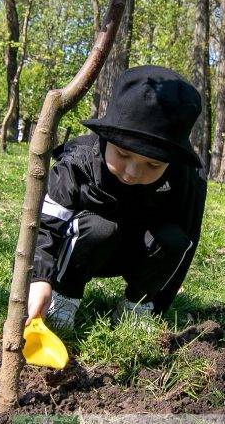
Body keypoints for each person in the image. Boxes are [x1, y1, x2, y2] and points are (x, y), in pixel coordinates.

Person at [26, 66, 207, 330]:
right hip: (81, 248)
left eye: (153, 165)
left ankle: (135, 306)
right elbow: (46, 224)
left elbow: (186, 242)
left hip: (137, 252)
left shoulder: (185, 179)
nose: (133, 172)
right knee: (100, 228)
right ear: (106, 137)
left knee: (173, 238)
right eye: (123, 155)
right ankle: (64, 297)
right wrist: (40, 279)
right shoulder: (78, 163)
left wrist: (159, 303)